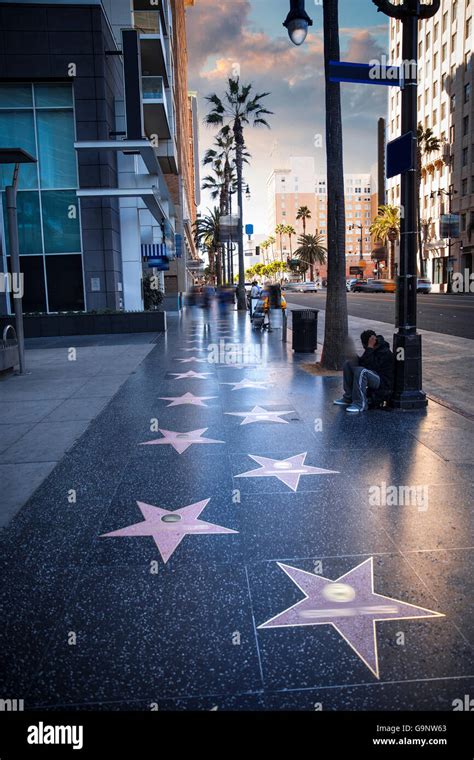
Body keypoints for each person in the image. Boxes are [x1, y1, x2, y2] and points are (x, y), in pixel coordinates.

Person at [333, 330, 394, 413]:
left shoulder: (384, 351)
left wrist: (369, 347)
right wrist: (354, 358)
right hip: (374, 375)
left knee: (361, 372)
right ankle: (349, 397)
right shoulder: (372, 349)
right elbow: (365, 362)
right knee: (348, 364)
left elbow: (370, 366)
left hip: (382, 381)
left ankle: (360, 404)